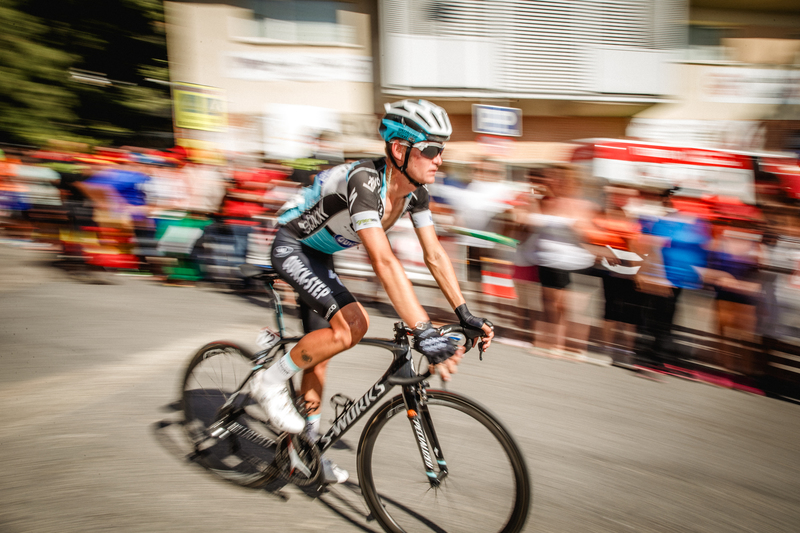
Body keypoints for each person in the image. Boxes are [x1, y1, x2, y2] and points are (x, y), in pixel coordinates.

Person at [250, 99, 495, 484]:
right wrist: (423, 329)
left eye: (442, 150)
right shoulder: (364, 181)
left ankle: (304, 449)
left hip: (320, 255)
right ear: (400, 149)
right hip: (293, 246)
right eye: (431, 149)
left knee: (322, 354)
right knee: (353, 326)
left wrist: (465, 312)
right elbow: (383, 261)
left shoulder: (416, 192)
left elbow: (434, 254)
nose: (440, 160)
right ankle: (268, 380)